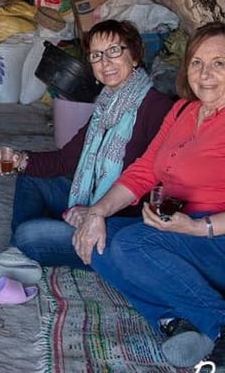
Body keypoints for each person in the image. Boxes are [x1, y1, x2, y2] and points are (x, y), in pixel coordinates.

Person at [0, 20, 173, 284]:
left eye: (114, 51)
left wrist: (96, 211)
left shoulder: (157, 107)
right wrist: (18, 159)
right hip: (93, 203)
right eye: (96, 55)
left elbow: (158, 184)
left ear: (134, 56)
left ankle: (25, 250)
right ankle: (19, 253)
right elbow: (66, 159)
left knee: (30, 234)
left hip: (120, 223)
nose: (105, 62)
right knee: (30, 177)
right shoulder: (106, 106)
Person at [73, 22, 225, 368]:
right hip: (177, 225)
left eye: (219, 63)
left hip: (215, 235)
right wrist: (96, 213)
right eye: (197, 62)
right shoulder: (183, 110)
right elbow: (144, 170)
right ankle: (178, 320)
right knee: (95, 240)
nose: (205, 74)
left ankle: (219, 323)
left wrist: (198, 228)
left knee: (132, 245)